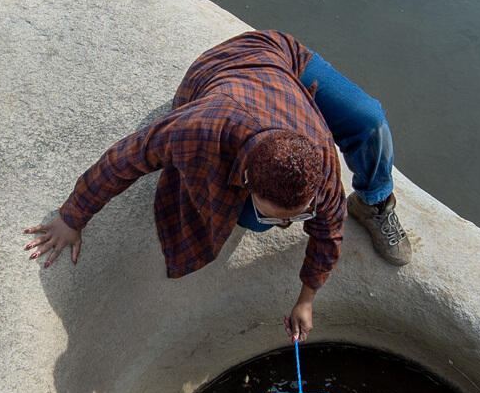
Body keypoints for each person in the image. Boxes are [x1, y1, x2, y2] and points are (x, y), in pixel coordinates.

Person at [23, 30, 413, 338]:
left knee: (370, 119)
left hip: (277, 59)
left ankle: (375, 202)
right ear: (245, 178)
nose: (285, 226)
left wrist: (306, 299)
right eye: (280, 216)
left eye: (299, 214)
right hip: (221, 71)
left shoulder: (320, 163)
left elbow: (328, 231)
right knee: (252, 221)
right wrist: (72, 218)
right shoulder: (199, 127)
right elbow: (124, 158)